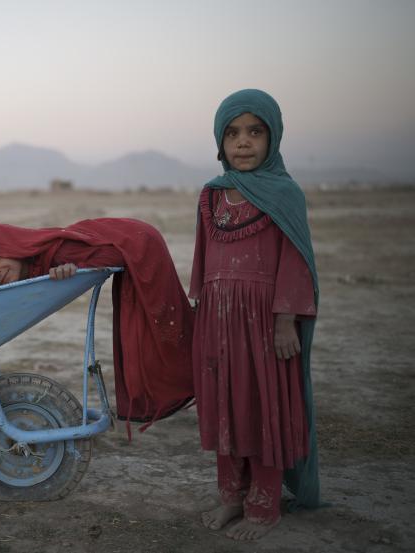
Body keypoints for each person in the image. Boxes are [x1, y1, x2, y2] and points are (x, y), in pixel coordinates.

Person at [189, 89, 322, 540]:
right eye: (232, 133)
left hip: (265, 325)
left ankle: (263, 507)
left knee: (263, 410)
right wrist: (202, 313)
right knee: (225, 406)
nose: (243, 142)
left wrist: (287, 319)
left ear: (273, 137)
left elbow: (296, 260)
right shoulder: (212, 195)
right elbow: (204, 261)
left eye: (254, 131)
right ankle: (231, 495)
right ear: (219, 141)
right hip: (218, 323)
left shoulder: (286, 195)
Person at [0, 218, 194, 435]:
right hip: (133, 236)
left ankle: (194, 379)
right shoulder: (34, 264)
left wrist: (73, 265)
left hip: (139, 243)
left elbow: (104, 256)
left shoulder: (58, 252)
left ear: (8, 244)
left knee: (165, 329)